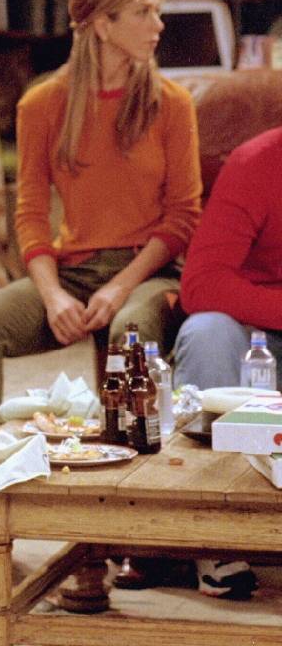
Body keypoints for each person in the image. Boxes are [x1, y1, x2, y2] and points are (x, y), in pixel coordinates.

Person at [0, 0, 202, 449]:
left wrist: (121, 286)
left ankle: (130, 474)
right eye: (144, 12)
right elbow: (30, 213)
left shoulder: (171, 103)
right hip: (74, 272)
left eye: (156, 11)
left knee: (129, 333)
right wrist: (52, 295)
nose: (158, 25)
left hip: (150, 270)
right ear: (103, 24)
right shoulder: (42, 104)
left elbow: (183, 218)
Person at [166, 125, 282, 600]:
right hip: (256, 334)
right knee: (206, 331)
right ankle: (212, 536)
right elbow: (201, 284)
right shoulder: (256, 163)